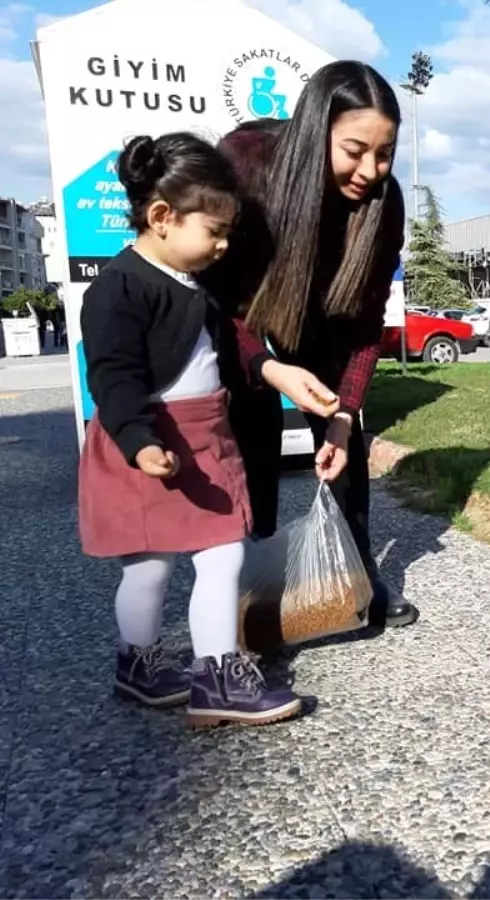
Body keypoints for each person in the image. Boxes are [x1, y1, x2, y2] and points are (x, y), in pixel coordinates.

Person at [77, 131, 304, 727]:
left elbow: (225, 349)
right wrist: (138, 440)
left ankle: (208, 672)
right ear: (161, 217)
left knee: (221, 554)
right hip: (151, 442)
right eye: (214, 230)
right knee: (148, 567)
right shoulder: (119, 289)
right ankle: (146, 665)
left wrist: (267, 370)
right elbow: (113, 374)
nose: (224, 244)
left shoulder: (193, 287)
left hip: (204, 439)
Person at [200, 60, 418, 631]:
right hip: (248, 310)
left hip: (327, 318)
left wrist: (345, 413)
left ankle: (358, 572)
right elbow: (223, 302)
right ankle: (254, 578)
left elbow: (367, 323)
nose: (371, 170)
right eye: (354, 150)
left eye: (385, 152)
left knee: (341, 437)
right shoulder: (245, 165)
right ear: (316, 130)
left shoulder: (383, 203)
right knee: (251, 427)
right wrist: (269, 368)